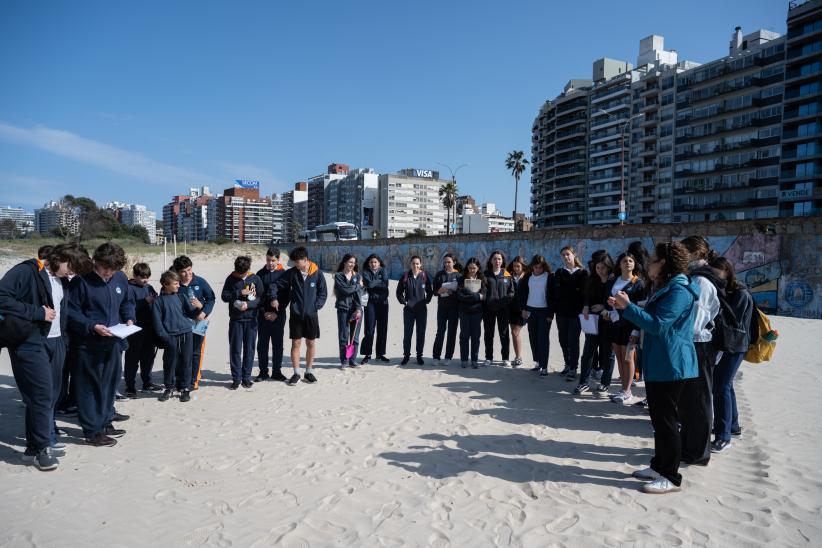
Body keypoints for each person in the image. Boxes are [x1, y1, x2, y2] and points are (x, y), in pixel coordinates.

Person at [611, 241, 700, 494]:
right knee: (659, 420)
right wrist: (628, 307)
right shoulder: (668, 287)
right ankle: (659, 465)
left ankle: (671, 476)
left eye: (653, 259)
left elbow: (659, 325)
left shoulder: (679, 290)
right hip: (660, 361)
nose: (648, 263)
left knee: (667, 421)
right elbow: (652, 316)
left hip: (672, 364)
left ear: (664, 263)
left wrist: (628, 308)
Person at [0, 243, 87, 470]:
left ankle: (32, 447)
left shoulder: (63, 279)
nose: (72, 273)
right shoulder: (26, 271)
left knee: (49, 396)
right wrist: (37, 312)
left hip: (56, 341)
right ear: (60, 258)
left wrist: (64, 340)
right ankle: (42, 448)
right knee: (41, 394)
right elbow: (2, 297)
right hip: (29, 342)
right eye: (71, 268)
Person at [66, 242, 135, 447]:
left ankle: (105, 421)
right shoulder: (80, 282)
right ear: (95, 262)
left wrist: (129, 318)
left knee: (110, 384)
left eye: (113, 269)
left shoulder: (120, 278)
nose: (109, 273)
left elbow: (127, 302)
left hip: (113, 340)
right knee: (88, 387)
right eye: (106, 268)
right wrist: (91, 326)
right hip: (87, 344)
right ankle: (91, 431)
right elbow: (70, 312)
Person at [679, 235, 721, 466]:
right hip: (693, 344)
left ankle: (699, 451)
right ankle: (690, 445)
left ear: (696, 254)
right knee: (688, 400)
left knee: (700, 400)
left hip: (700, 345)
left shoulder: (702, 282)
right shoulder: (695, 278)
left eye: (684, 252)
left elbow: (696, 321)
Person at [708, 256, 754, 454]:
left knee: (721, 387)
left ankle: (723, 436)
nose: (713, 274)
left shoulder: (740, 293)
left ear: (727, 271)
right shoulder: (724, 290)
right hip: (723, 345)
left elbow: (731, 322)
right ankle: (732, 427)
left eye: (716, 270)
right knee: (726, 385)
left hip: (735, 346)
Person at [271, 246, 328, 385]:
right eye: (294, 262)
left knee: (311, 343)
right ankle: (296, 372)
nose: (296, 264)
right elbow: (275, 285)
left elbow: (323, 293)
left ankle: (308, 371)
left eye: (297, 262)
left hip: (311, 315)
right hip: (296, 314)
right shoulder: (292, 273)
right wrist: (274, 297)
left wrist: (316, 306)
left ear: (305, 260)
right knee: (296, 343)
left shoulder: (317, 273)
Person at [601, 252, 645, 404]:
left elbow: (641, 308)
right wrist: (607, 309)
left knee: (628, 358)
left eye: (631, 260)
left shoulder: (638, 283)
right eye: (624, 260)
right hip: (614, 323)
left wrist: (636, 330)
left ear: (634, 264)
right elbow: (607, 300)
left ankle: (627, 390)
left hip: (630, 325)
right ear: (619, 264)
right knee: (619, 357)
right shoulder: (613, 281)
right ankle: (623, 388)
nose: (628, 263)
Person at [173, 256, 215, 391]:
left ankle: (193, 381)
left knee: (195, 353)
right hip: (181, 325)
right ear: (178, 272)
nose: (187, 273)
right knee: (180, 353)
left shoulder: (200, 282)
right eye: (183, 271)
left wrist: (203, 311)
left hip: (199, 323)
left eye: (189, 269)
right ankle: (180, 380)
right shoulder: (175, 285)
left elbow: (211, 298)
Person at [221, 256, 263, 390]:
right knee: (235, 350)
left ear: (248, 269)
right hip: (236, 320)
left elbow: (261, 298)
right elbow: (224, 296)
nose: (241, 275)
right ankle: (236, 378)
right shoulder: (231, 278)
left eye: (243, 273)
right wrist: (239, 292)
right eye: (239, 273)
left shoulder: (255, 278)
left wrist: (249, 304)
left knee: (249, 350)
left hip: (251, 320)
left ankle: (246, 377)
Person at [576, 253, 615, 395]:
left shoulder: (614, 281)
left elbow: (617, 301)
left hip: (608, 321)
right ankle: (583, 382)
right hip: (592, 321)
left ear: (609, 267)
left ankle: (605, 383)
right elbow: (587, 296)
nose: (600, 270)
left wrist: (603, 306)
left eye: (603, 268)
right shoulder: (592, 279)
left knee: (608, 354)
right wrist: (586, 306)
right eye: (598, 267)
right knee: (587, 353)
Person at [152, 270, 194, 402]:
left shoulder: (181, 296)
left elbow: (192, 313)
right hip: (171, 336)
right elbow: (157, 323)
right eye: (175, 283)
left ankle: (185, 389)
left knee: (186, 362)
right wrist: (166, 338)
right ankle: (169, 387)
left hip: (186, 333)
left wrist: (199, 307)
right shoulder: (158, 301)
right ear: (166, 284)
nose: (178, 286)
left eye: (178, 283)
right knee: (170, 363)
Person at [124, 263, 160, 396]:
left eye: (148, 277)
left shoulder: (149, 287)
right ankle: (130, 386)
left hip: (149, 329)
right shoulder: (129, 288)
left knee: (148, 358)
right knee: (132, 359)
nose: (146, 280)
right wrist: (145, 301)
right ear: (135, 276)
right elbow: (128, 308)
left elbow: (156, 301)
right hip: (134, 330)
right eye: (143, 277)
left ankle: (147, 382)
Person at [553, 246, 588, 381]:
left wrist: (585, 306)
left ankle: (573, 367)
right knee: (563, 339)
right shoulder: (559, 272)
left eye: (568, 254)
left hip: (576, 313)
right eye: (563, 255)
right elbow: (556, 292)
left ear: (574, 255)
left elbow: (585, 293)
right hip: (561, 312)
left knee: (573, 340)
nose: (566, 257)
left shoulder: (582, 273)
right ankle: (567, 364)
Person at [256, 247, 289, 382]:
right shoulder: (260, 274)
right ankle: (263, 372)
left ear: (278, 260)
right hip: (262, 315)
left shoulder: (284, 274)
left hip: (279, 315)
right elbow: (257, 296)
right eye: (268, 260)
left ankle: (277, 371)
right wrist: (264, 312)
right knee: (262, 344)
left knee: (277, 344)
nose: (271, 263)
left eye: (273, 260)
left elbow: (287, 297)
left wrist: (277, 313)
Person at [519, 255, 554, 376]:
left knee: (543, 339)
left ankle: (544, 367)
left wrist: (550, 314)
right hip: (530, 311)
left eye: (540, 267)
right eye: (536, 267)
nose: (538, 270)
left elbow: (552, 298)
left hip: (544, 312)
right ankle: (538, 362)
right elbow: (522, 293)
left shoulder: (549, 277)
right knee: (533, 337)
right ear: (532, 267)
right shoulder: (528, 277)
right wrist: (523, 308)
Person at [396, 255, 433, 365]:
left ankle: (419, 356)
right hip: (409, 310)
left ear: (420, 264)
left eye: (417, 263)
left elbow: (430, 292)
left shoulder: (424, 276)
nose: (415, 265)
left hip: (422, 310)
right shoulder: (406, 276)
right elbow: (398, 292)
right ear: (410, 264)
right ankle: (406, 356)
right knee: (408, 334)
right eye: (413, 263)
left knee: (420, 333)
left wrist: (426, 301)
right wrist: (405, 302)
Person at [483, 250, 514, 367]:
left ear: (502, 261)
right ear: (491, 261)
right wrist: (487, 301)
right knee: (489, 333)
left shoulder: (507, 275)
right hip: (489, 309)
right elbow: (482, 291)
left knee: (504, 333)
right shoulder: (485, 275)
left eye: (499, 259)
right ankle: (488, 357)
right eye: (495, 259)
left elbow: (511, 292)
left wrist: (505, 301)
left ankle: (505, 358)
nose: (497, 261)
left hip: (503, 309)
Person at [334, 254, 364, 368]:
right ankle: (344, 361)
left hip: (355, 310)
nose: (352, 264)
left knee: (354, 337)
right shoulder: (338, 276)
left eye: (354, 262)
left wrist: (358, 309)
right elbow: (344, 290)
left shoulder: (357, 276)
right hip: (343, 309)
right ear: (344, 262)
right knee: (343, 336)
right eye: (350, 262)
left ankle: (352, 360)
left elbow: (358, 295)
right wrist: (358, 286)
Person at [456, 257, 487, 368]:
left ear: (478, 268)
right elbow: (459, 295)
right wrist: (475, 296)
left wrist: (468, 295)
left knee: (475, 336)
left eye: (474, 268)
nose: (472, 270)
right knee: (464, 336)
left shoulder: (482, 279)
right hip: (464, 312)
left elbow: (484, 296)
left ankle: (474, 359)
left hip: (477, 312)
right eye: (470, 268)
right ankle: (464, 359)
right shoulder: (461, 279)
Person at [360, 254, 390, 364]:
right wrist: (378, 281)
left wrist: (375, 283)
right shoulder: (365, 272)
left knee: (382, 329)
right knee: (369, 329)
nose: (373, 264)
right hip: (370, 303)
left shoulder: (384, 271)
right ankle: (367, 354)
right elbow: (369, 284)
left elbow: (385, 284)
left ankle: (380, 354)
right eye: (371, 262)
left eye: (375, 262)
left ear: (379, 263)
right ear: (368, 263)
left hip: (383, 303)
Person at [432, 253, 460, 365]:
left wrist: (451, 292)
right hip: (442, 307)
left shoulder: (458, 276)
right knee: (440, 332)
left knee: (452, 332)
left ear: (454, 262)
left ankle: (448, 357)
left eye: (449, 262)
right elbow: (434, 291)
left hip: (454, 308)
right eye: (445, 262)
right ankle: (436, 357)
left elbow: (460, 293)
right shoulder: (439, 275)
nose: (447, 264)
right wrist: (439, 291)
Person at [507, 256, 528, 368]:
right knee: (513, 333)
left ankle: (519, 358)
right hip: (511, 308)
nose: (516, 268)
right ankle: (517, 357)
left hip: (524, 309)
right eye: (514, 266)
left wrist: (526, 308)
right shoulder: (509, 276)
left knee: (515, 332)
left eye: (518, 266)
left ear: (523, 266)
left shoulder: (528, 277)